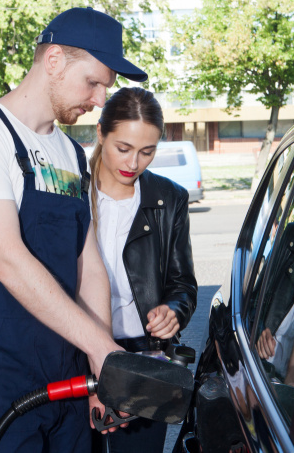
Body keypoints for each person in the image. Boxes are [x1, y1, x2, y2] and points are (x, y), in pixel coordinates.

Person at [0, 8, 148, 453]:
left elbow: (88, 264)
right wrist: (102, 349)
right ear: (53, 60)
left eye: (105, 88)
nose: (98, 100)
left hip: (68, 370)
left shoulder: (70, 154)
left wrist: (100, 368)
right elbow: (8, 261)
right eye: (93, 82)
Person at [88, 87, 198, 453]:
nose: (133, 163)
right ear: (101, 133)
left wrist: (174, 312)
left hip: (143, 357)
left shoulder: (170, 199)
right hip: (76, 351)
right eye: (123, 148)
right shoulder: (72, 193)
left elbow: (183, 284)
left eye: (147, 152)